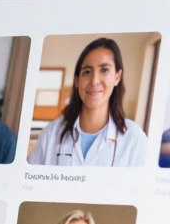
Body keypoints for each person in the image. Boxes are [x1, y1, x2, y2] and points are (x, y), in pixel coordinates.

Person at [30, 38, 147, 167]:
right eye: (87, 72)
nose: (94, 81)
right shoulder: (51, 132)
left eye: (104, 70)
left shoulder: (134, 138)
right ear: (77, 81)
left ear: (117, 77)